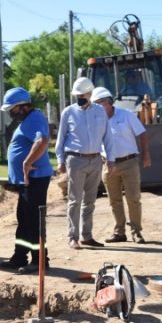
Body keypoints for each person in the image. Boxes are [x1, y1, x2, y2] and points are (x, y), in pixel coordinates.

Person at [56, 77, 116, 250]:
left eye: (82, 94)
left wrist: (110, 158)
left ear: (90, 94)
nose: (79, 97)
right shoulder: (68, 112)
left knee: (90, 200)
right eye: (77, 95)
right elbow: (60, 140)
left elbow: (108, 137)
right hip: (75, 160)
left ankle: (87, 236)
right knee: (75, 200)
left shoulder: (99, 111)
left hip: (96, 160)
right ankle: (72, 237)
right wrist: (60, 160)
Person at [0, 88, 54, 273]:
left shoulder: (35, 118)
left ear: (22, 107)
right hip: (28, 181)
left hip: (36, 179)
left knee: (32, 221)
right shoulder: (29, 120)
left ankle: (39, 261)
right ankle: (19, 256)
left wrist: (27, 162)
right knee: (23, 219)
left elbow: (43, 141)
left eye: (12, 109)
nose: (10, 113)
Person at [93, 86, 151, 244]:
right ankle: (119, 232)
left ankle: (136, 232)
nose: (99, 106)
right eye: (96, 103)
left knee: (133, 198)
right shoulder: (96, 121)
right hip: (109, 165)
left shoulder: (126, 116)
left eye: (102, 102)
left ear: (110, 102)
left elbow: (143, 134)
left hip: (129, 162)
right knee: (114, 200)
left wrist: (146, 154)